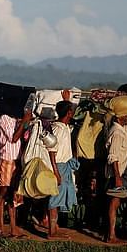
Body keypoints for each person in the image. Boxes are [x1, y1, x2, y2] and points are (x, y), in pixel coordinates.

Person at [46, 101, 79, 239]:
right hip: (59, 166)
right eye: (71, 110)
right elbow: (52, 151)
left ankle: (55, 228)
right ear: (69, 113)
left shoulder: (64, 126)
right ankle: (52, 231)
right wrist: (56, 172)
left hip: (64, 166)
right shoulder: (58, 129)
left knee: (59, 198)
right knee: (55, 198)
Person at [105, 111, 127, 243]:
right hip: (117, 174)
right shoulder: (117, 133)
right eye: (126, 115)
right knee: (114, 202)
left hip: (118, 173)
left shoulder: (119, 130)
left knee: (115, 202)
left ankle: (111, 234)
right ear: (118, 118)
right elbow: (113, 156)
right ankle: (111, 235)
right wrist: (117, 177)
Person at [0, 112, 24, 237]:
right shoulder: (4, 118)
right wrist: (24, 121)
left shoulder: (16, 118)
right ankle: (1, 229)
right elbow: (14, 138)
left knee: (14, 195)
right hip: (7, 159)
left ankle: (13, 228)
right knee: (3, 193)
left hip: (16, 159)